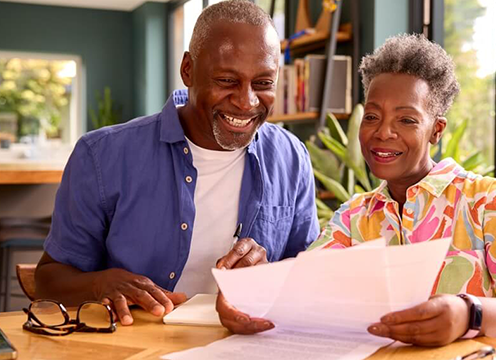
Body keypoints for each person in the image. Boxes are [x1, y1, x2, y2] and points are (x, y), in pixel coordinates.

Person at [217, 34, 496, 347]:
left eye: (407, 120)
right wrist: (253, 295)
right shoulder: (354, 217)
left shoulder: (484, 201)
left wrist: (469, 314)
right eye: (372, 116)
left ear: (436, 130)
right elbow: (303, 296)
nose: (383, 132)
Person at [35, 0, 319, 327]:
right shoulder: (102, 155)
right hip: (136, 346)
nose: (247, 101)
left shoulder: (291, 157)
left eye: (263, 83)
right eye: (227, 81)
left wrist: (269, 279)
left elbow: (306, 278)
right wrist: (100, 283)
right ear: (188, 70)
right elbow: (47, 280)